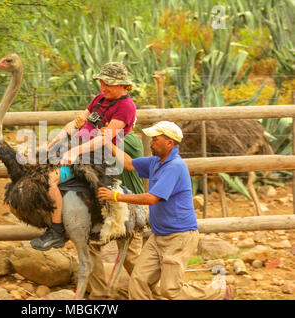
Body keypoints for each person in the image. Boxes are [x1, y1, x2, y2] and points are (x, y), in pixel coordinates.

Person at [97, 121, 234, 300]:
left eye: (155, 139)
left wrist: (116, 196)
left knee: (170, 290)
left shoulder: (174, 166)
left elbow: (151, 198)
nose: (151, 142)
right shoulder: (155, 162)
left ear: (169, 143)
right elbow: (130, 163)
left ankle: (219, 292)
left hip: (179, 237)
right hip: (159, 236)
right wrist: (108, 143)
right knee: (138, 281)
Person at [30, 62, 144, 260]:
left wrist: (74, 152)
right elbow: (77, 122)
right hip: (80, 150)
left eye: (107, 83)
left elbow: (105, 137)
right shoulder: (100, 99)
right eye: (102, 82)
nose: (103, 87)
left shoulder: (126, 107)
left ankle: (56, 231)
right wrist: (55, 141)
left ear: (121, 85)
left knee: (50, 178)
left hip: (98, 158)